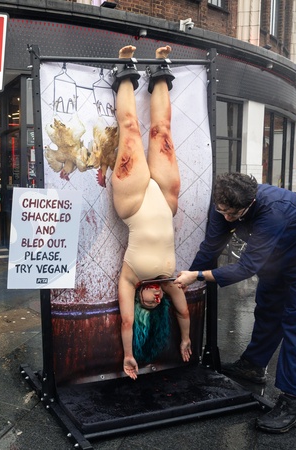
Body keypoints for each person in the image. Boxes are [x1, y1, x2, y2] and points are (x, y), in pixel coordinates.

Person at [175, 172, 296, 433]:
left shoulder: (273, 211)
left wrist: (200, 276)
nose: (227, 218)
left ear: (251, 203)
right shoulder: (223, 203)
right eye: (223, 211)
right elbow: (211, 247)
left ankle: (293, 404)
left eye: (234, 214)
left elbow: (247, 267)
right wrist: (186, 282)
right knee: (268, 308)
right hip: (275, 255)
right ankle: (252, 365)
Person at [111, 45, 191, 380]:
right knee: (163, 132)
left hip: (132, 204)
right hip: (166, 202)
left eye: (150, 302)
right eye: (159, 302)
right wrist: (185, 338)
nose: (156, 297)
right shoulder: (169, 282)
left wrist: (129, 356)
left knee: (130, 129)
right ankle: (160, 72)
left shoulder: (129, 279)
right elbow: (183, 314)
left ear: (140, 300)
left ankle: (123, 72)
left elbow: (126, 322)